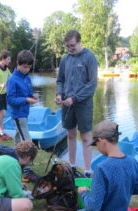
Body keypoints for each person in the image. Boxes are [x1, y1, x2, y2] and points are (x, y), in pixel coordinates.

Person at [73, 120, 138, 211]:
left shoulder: (102, 167)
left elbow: (94, 207)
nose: (97, 148)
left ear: (102, 140)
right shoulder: (132, 161)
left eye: (97, 144)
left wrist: (83, 193)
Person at [55, 29, 98, 178]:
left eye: (72, 45)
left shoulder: (89, 57)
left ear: (79, 42)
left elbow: (92, 85)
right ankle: (72, 167)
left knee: (86, 136)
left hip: (83, 104)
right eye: (67, 46)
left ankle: (87, 171)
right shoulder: (64, 59)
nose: (69, 49)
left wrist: (74, 98)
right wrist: (59, 94)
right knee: (70, 134)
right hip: (66, 104)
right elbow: (60, 80)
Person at [7, 50, 40, 183]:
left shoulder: (26, 77)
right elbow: (10, 99)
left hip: (25, 113)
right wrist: (26, 100)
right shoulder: (12, 79)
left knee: (18, 142)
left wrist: (33, 96)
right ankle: (26, 172)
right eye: (24, 66)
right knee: (28, 143)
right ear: (18, 64)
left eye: (29, 67)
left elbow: (29, 92)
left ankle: (16, 166)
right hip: (18, 115)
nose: (27, 69)